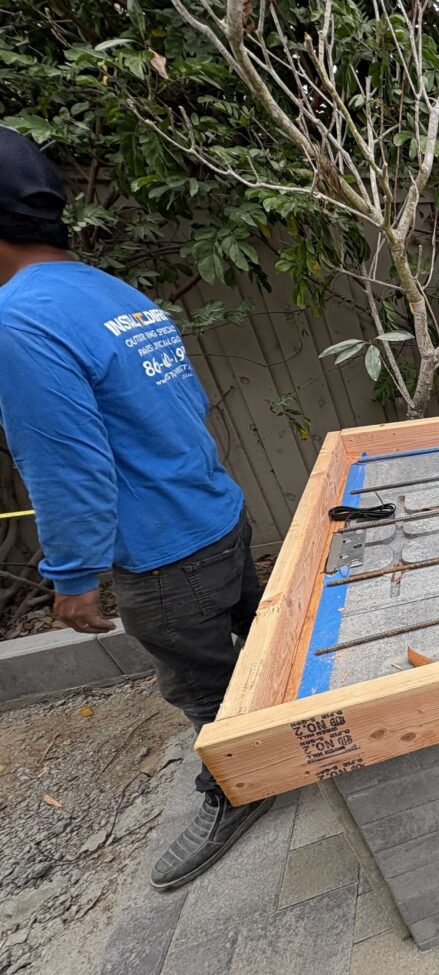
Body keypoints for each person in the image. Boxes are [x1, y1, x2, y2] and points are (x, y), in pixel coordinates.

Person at [0, 128, 273, 889]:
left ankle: (245, 783)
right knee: (259, 646)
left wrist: (75, 575)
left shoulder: (18, 321)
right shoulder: (108, 291)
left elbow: (65, 462)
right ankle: (291, 737)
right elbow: (181, 402)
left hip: (163, 552)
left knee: (204, 685)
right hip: (217, 512)